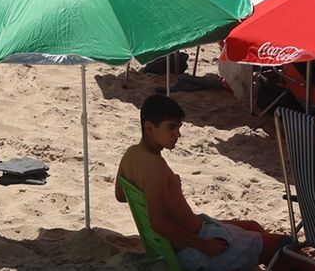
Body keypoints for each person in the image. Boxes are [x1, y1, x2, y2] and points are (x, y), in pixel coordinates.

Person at [114, 95, 283, 270]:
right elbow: (159, 223)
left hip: (185, 238)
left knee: (253, 226)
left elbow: (120, 195)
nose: (177, 134)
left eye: (178, 127)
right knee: (282, 246)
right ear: (149, 127)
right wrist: (203, 245)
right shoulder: (154, 166)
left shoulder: (131, 154)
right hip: (194, 250)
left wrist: (158, 192)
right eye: (171, 127)